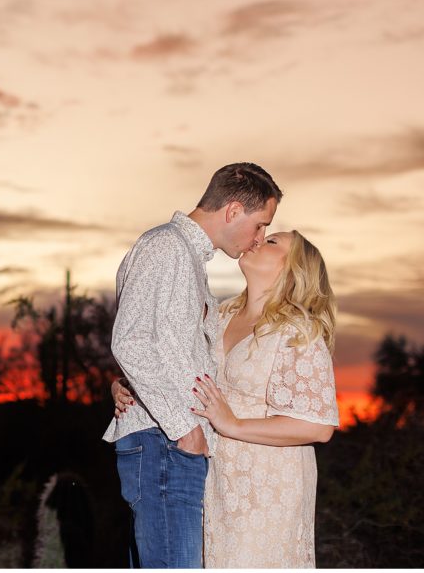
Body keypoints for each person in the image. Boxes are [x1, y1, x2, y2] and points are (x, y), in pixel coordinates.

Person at [112, 230, 340, 568]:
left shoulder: (298, 331)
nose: (259, 240)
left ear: (294, 270)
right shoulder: (217, 316)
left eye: (273, 242)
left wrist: (232, 423)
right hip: (212, 474)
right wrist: (124, 384)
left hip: (269, 483)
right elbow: (173, 366)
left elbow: (318, 426)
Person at [101, 162, 282, 568]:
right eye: (260, 225)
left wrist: (123, 382)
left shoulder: (186, 259)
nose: (260, 238)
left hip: (170, 441)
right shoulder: (166, 247)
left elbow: (157, 345)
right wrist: (185, 430)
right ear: (233, 211)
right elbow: (130, 340)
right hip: (166, 441)